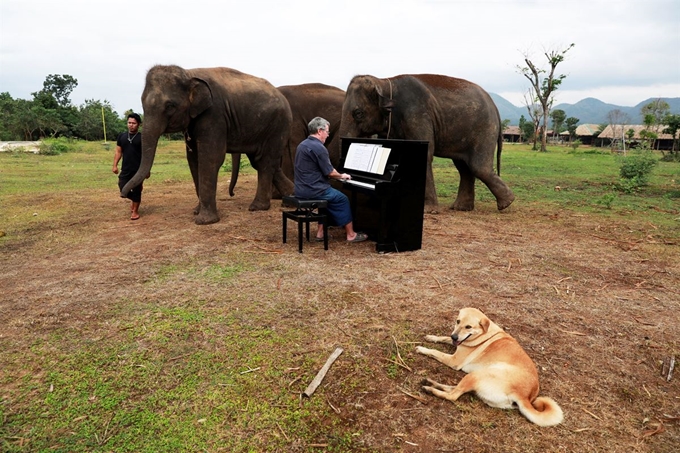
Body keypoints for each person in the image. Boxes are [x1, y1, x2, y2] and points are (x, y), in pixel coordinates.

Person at [294, 117, 367, 243]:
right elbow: (330, 172)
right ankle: (351, 235)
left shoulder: (302, 144)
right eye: (327, 132)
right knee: (342, 199)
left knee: (328, 198)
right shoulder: (319, 147)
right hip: (313, 190)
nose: (328, 135)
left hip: (301, 189)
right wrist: (342, 175)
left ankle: (320, 233)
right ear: (319, 131)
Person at [112, 113, 148, 220]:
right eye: (129, 123)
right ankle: (135, 199)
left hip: (139, 170)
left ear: (139, 124)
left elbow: (146, 155)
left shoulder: (142, 138)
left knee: (137, 190)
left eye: (134, 123)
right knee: (122, 187)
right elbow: (118, 152)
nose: (131, 125)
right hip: (126, 169)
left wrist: (147, 170)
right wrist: (115, 165)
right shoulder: (122, 136)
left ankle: (135, 211)